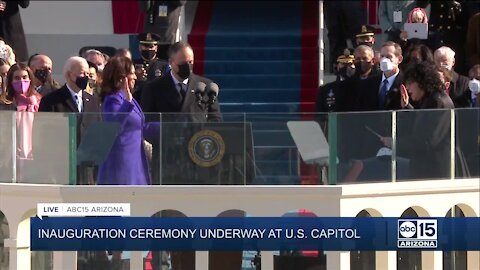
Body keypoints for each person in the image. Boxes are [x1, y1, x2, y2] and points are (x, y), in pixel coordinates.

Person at [383, 62, 454, 179]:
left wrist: (395, 143)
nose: (408, 88)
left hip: (437, 171)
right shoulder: (431, 100)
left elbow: (429, 140)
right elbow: (422, 123)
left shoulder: (437, 101)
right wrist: (407, 107)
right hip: (429, 168)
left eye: (410, 83)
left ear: (422, 82)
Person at [97, 56, 160, 185]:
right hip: (121, 165)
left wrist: (166, 127)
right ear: (121, 77)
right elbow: (113, 126)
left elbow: (139, 127)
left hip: (135, 161)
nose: (135, 77)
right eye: (132, 73)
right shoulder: (113, 100)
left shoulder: (127, 98)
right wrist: (127, 102)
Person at [39, 56, 101, 184]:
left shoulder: (93, 101)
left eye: (87, 74)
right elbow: (44, 135)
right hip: (61, 168)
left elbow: (97, 129)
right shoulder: (51, 101)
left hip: (86, 168)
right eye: (82, 73)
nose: (85, 77)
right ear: (68, 74)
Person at [4, 63, 41, 160]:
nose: (21, 81)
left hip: (36, 152)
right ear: (10, 81)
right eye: (17, 78)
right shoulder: (5, 103)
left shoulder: (39, 102)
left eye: (25, 77)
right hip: (9, 154)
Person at [358, 41, 404, 111]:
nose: (384, 60)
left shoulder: (406, 82)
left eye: (389, 57)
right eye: (382, 56)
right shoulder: (369, 82)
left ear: (399, 59)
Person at [316, 48, 355, 113]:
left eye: (350, 64)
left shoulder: (362, 86)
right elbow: (319, 115)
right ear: (337, 66)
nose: (347, 67)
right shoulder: (325, 90)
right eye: (343, 64)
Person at [133, 33, 169, 102]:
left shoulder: (164, 65)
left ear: (156, 48)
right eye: (145, 46)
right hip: (138, 101)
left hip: (156, 103)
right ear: (140, 47)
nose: (148, 49)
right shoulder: (132, 64)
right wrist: (136, 76)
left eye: (151, 46)